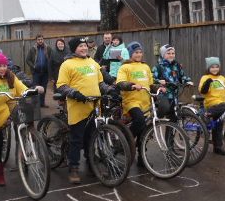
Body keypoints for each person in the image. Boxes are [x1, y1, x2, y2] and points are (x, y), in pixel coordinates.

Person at [56, 36, 115, 184]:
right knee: (77, 139)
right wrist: (75, 93)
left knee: (92, 137)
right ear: (74, 48)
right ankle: (74, 168)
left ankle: (91, 164)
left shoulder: (92, 62)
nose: (84, 48)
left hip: (94, 106)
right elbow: (61, 85)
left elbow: (100, 82)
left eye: (85, 46)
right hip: (78, 107)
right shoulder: (67, 64)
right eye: (80, 46)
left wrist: (110, 90)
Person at [0, 53, 43, 186]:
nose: (2, 68)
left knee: (24, 118)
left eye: (4, 65)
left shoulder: (11, 76)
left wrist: (32, 90)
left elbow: (22, 88)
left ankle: (22, 156)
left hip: (13, 105)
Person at [116, 42, 160, 164]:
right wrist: (132, 85)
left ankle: (142, 158)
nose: (139, 54)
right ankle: (126, 140)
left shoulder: (145, 67)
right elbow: (120, 83)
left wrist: (158, 88)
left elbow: (150, 84)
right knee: (139, 120)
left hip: (145, 101)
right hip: (131, 101)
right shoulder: (125, 67)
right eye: (136, 52)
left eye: (140, 52)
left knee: (143, 131)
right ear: (131, 54)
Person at [198, 57, 225, 155]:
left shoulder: (222, 78)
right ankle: (206, 114)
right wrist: (207, 83)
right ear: (208, 68)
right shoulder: (205, 78)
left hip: (221, 105)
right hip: (211, 105)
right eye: (212, 67)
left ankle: (217, 147)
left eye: (216, 67)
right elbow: (202, 91)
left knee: (218, 126)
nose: (214, 69)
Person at [152, 44, 193, 118]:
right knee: (164, 112)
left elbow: (182, 76)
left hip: (175, 95)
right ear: (163, 55)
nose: (171, 55)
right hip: (164, 95)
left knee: (173, 118)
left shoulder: (177, 65)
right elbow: (152, 79)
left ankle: (170, 129)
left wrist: (187, 81)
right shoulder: (158, 67)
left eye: (173, 53)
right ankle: (155, 122)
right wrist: (159, 82)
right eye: (168, 53)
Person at [26, 34, 52, 107]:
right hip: (36, 73)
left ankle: (42, 103)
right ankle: (35, 104)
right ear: (36, 40)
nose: (40, 41)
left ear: (43, 40)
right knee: (36, 88)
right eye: (39, 39)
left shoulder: (48, 48)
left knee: (43, 88)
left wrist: (49, 67)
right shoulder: (32, 49)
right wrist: (33, 66)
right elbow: (28, 60)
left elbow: (51, 58)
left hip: (45, 72)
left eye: (41, 39)